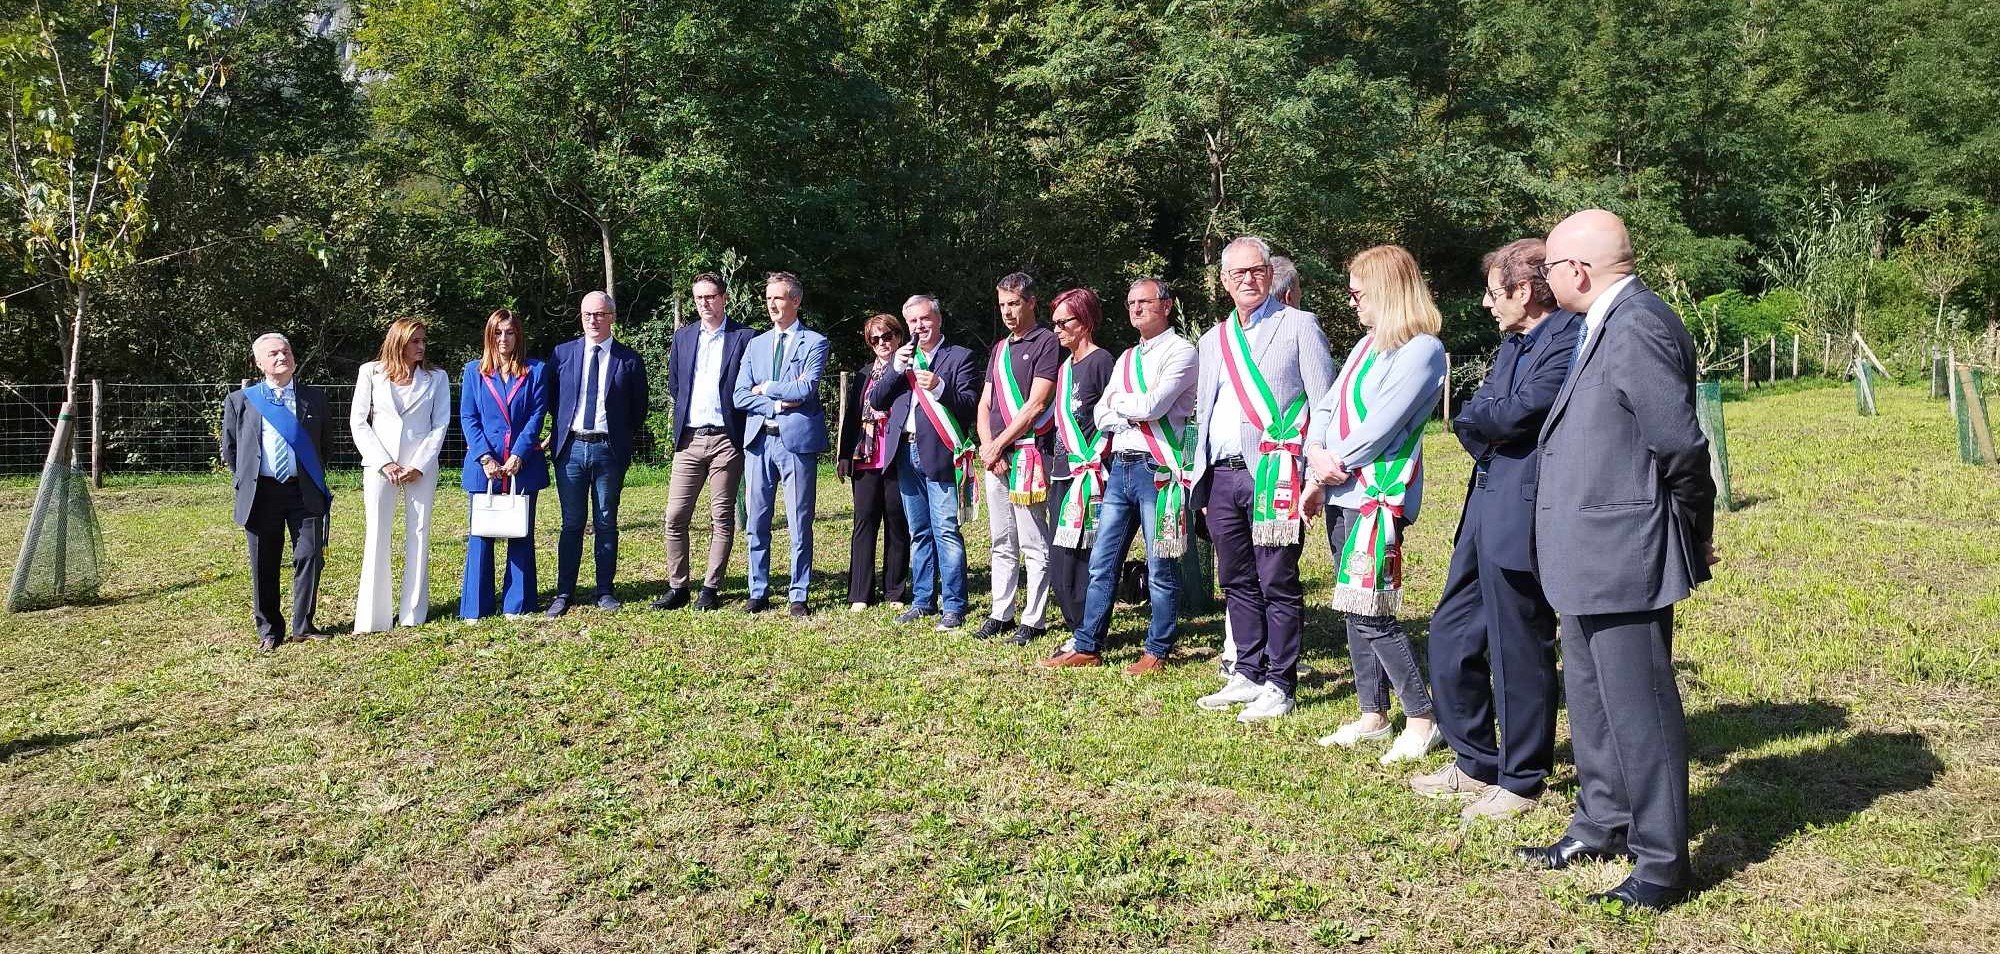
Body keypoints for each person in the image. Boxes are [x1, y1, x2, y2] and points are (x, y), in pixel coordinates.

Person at [1516, 209, 1716, 913]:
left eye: (1549, 267)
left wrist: (1690, 529)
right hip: (1585, 551)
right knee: (1594, 700)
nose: (1544, 279)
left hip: (1622, 550)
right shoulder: (1602, 321)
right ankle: (1602, 822)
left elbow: (1681, 446)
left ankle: (1662, 862)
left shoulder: (1637, 325)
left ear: (1577, 270)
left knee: (1640, 709)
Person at [1413, 239, 1579, 820]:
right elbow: (1474, 414)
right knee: (1451, 630)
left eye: (1493, 293)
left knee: (1518, 644)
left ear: (1524, 290)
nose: (1487, 304)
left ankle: (1522, 777)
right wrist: (1489, 420)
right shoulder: (1514, 342)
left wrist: (1489, 419)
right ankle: (1474, 761)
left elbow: (1515, 413)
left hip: (1524, 508)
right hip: (1483, 502)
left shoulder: (1569, 338)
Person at [1305, 246, 1447, 763]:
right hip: (1341, 489)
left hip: (1376, 496)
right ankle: (1373, 713)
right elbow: (1326, 407)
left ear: (1387, 291)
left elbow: (1381, 425)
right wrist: (1315, 455)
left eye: (1358, 293)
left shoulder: (1423, 350)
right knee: (1353, 604)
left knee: (1373, 610)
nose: (1352, 302)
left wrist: (1329, 463)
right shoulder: (1367, 346)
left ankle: (1421, 717)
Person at [1191, 236, 1335, 722]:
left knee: (1277, 578)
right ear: (1224, 281)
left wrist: (1312, 474)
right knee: (1235, 579)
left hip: (1275, 474)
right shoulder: (1213, 340)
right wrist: (1200, 478)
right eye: (1238, 273)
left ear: (1270, 275)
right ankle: (1248, 671)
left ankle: (1280, 681)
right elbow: (1203, 412)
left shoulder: (1299, 325)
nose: (1249, 280)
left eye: (1257, 271)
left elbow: (1323, 403)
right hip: (1222, 474)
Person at [1044, 278, 1197, 673]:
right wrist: (1127, 408)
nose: (1136, 309)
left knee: (1160, 566)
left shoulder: (1182, 352)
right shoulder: (1127, 358)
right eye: (1131, 303)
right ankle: (1088, 645)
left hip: (1158, 470)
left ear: (1166, 305)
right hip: (1121, 468)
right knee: (1101, 560)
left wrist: (1120, 404)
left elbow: (1154, 405)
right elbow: (1100, 415)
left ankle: (1157, 650)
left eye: (1144, 301)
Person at [870, 294, 983, 631]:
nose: (920, 326)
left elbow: (970, 406)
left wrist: (940, 386)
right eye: (913, 321)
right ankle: (922, 601)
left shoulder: (960, 357)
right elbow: (877, 400)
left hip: (940, 453)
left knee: (945, 530)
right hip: (905, 452)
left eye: (925, 318)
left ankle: (954, 605)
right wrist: (894, 369)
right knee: (919, 532)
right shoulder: (903, 358)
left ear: (938, 319)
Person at [220, 333, 332, 653]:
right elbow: (231, 449)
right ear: (259, 362)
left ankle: (303, 625)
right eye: (273, 354)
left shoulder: (315, 398)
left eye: (286, 351)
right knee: (263, 562)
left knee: (310, 556)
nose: (282, 357)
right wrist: (248, 479)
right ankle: (269, 629)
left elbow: (325, 445)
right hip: (261, 493)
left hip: (303, 491)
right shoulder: (241, 400)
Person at [655, 272, 757, 612]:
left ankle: (710, 589)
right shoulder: (683, 337)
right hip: (689, 439)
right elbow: (676, 385)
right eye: (699, 297)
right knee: (675, 516)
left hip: (727, 439)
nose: (704, 303)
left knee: (721, 517)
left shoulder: (745, 337)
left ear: (723, 298)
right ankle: (678, 587)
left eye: (710, 296)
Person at [546, 290, 650, 617]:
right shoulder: (562, 354)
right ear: (581, 317)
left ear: (612, 317)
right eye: (588, 314)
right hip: (571, 450)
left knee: (606, 521)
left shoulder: (629, 359)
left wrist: (617, 435)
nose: (593, 320)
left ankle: (605, 590)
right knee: (571, 523)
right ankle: (564, 592)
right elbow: (552, 400)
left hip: (609, 450)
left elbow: (638, 409)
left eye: (600, 314)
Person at [734, 271, 829, 616]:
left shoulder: (814, 342)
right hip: (759, 442)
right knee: (756, 522)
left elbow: (806, 389)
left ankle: (798, 594)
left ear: (796, 300)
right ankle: (757, 590)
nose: (772, 304)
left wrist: (767, 387)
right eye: (768, 298)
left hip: (796, 445)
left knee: (799, 522)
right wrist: (775, 403)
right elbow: (739, 395)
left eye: (778, 297)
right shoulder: (755, 344)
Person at [349, 317, 452, 633]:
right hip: (380, 466)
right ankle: (373, 618)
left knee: (419, 532)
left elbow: (440, 424)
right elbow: (359, 422)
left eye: (423, 340)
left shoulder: (437, 378)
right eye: (415, 341)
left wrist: (419, 464)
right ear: (398, 342)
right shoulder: (370, 372)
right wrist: (384, 462)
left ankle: (413, 613)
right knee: (377, 533)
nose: (421, 346)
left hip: (421, 468)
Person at [974, 272, 1060, 642]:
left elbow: (1036, 403)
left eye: (1014, 303)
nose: (1008, 312)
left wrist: (1000, 444)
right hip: (996, 457)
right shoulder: (998, 348)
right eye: (1002, 305)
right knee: (1001, 540)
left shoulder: (1046, 342)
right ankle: (1001, 612)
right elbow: (985, 403)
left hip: (1028, 456)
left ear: (1031, 303)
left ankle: (1034, 618)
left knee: (1032, 539)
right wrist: (988, 447)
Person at [458, 308, 550, 620]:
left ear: (518, 336)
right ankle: (476, 607)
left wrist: (519, 454)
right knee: (480, 535)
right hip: (484, 465)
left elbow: (537, 415)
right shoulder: (473, 372)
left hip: (522, 465)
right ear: (489, 335)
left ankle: (518, 604)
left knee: (520, 532)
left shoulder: (536, 371)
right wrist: (485, 456)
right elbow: (468, 416)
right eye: (498, 332)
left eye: (509, 332)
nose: (503, 339)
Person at [1038, 288, 1114, 642]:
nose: (1056, 329)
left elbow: (1113, 419)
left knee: (1083, 556)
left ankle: (1087, 630)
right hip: (1062, 472)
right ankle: (1077, 627)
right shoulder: (1065, 368)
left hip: (1090, 476)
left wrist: (1098, 461)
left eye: (1063, 322)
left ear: (1083, 321)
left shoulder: (1102, 362)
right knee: (1061, 556)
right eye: (1053, 323)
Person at [837, 314, 913, 611]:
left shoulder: (910, 369)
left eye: (887, 336)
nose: (882, 343)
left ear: (899, 336)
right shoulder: (864, 374)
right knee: (864, 522)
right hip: (864, 457)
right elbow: (852, 417)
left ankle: (894, 591)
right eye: (875, 339)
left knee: (897, 523)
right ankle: (860, 593)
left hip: (896, 455)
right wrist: (844, 455)